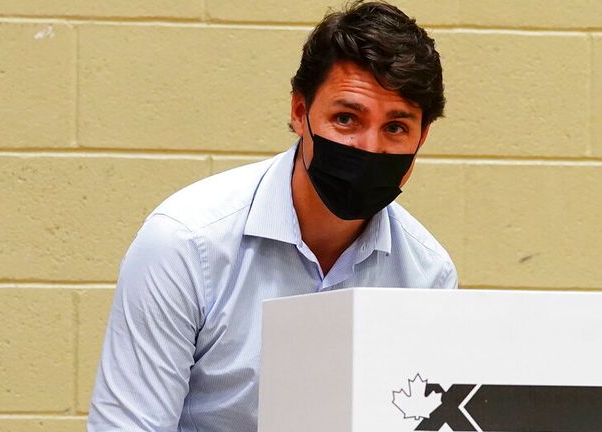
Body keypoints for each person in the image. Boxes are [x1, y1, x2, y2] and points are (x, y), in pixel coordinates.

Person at [87, 1, 456, 430]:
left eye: (395, 127)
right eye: (346, 118)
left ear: (422, 136)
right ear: (300, 112)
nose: (369, 148)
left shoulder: (427, 275)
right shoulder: (186, 244)